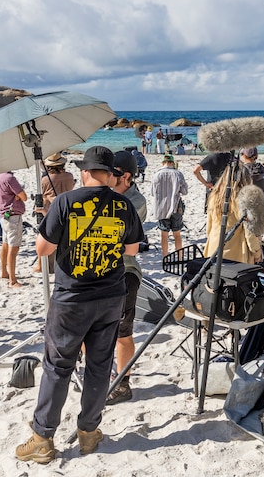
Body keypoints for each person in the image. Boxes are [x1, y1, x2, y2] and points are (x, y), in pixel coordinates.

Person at [16, 146, 144, 463]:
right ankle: (88, 433)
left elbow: (44, 250)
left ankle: (43, 437)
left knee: (58, 367)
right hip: (110, 295)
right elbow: (132, 249)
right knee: (99, 368)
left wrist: (50, 221)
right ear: (111, 172)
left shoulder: (66, 202)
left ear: (85, 171)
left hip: (72, 297)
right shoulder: (123, 204)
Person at [106, 150, 148, 406]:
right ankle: (102, 374)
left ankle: (123, 383)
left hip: (124, 270)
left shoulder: (136, 201)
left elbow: (122, 238)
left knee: (123, 331)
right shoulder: (104, 194)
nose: (107, 176)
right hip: (97, 270)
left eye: (112, 173)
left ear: (126, 177)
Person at [204, 164, 264, 264]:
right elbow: (250, 233)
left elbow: (209, 228)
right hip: (235, 254)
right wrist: (257, 253)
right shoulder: (244, 199)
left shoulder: (214, 196)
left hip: (214, 248)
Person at [32, 152, 76, 273]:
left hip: (50, 209)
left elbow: (41, 195)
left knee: (46, 237)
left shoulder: (46, 179)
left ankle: (42, 266)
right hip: (66, 208)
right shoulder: (69, 176)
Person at [0, 171, 29, 287]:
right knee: (13, 248)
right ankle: (12, 280)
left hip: (4, 215)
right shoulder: (9, 178)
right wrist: (18, 196)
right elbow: (24, 197)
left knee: (6, 244)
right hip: (12, 216)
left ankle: (4, 272)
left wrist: (16, 195)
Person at [151, 153, 188, 257]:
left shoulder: (157, 174)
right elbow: (185, 191)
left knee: (164, 235)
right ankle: (179, 257)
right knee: (177, 234)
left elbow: (153, 192)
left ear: (163, 163)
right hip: (176, 206)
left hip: (161, 207)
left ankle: (165, 257)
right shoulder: (178, 174)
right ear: (173, 163)